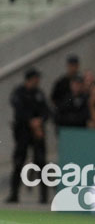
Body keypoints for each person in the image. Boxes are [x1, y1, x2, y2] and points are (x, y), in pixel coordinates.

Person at [7, 68, 49, 204]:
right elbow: (19, 112)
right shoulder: (19, 93)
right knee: (19, 161)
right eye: (35, 78)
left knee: (41, 162)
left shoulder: (39, 94)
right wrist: (31, 121)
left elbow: (46, 111)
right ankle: (14, 193)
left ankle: (44, 196)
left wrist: (39, 121)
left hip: (37, 134)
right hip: (23, 133)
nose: (37, 81)